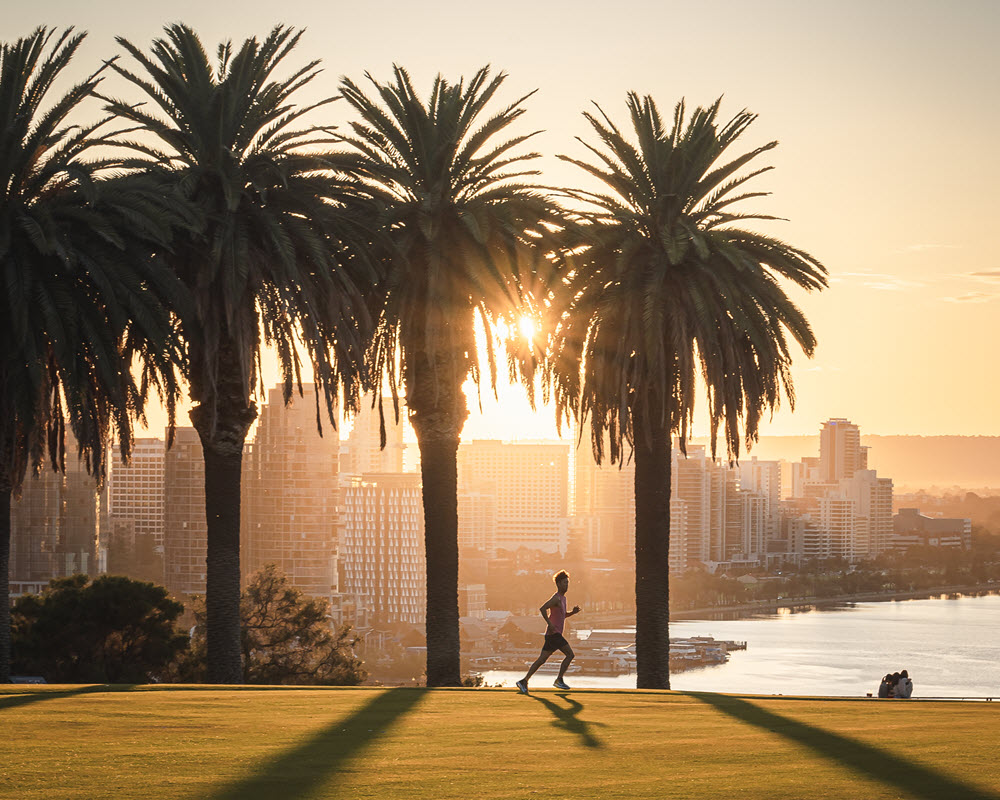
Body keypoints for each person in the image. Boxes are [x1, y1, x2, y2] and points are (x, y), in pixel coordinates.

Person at [516, 570, 581, 694]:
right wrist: (549, 623)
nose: (567, 585)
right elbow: (542, 608)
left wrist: (573, 613)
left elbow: (562, 616)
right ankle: (559, 680)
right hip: (554, 634)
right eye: (564, 583)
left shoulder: (563, 599)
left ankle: (524, 681)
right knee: (570, 654)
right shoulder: (556, 598)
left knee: (541, 660)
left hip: (552, 635)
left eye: (567, 583)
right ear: (558, 584)